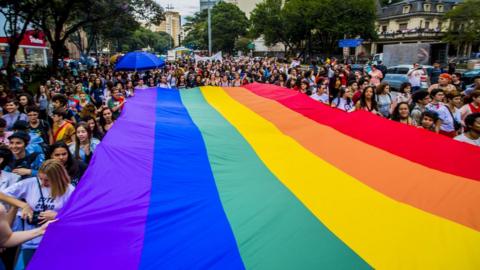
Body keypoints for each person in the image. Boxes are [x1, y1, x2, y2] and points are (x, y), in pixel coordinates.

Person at [0, 159, 74, 268]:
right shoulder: (31, 183)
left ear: (58, 178)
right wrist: (23, 205)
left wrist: (57, 216)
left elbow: (76, 216)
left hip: (55, 240)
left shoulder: (69, 190)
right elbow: (2, 195)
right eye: (41, 179)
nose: (43, 183)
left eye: (47, 180)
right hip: (30, 241)